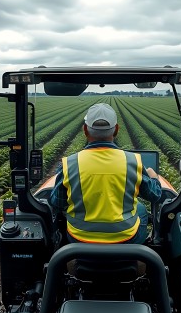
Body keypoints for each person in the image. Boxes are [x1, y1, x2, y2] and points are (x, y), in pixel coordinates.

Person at [50, 103, 162, 244]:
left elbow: (56, 202)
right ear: (116, 130)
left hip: (79, 237)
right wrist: (153, 177)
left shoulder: (70, 163)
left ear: (85, 130)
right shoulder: (133, 162)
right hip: (125, 237)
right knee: (140, 208)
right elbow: (155, 195)